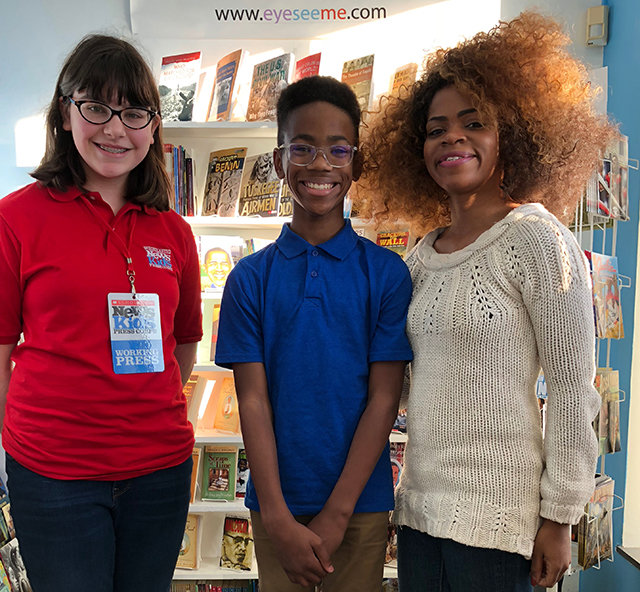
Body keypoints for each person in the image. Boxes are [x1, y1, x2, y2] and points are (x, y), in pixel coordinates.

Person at [356, 11, 619, 592]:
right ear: (416, 149)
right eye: (435, 127)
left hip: (503, 529)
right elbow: (396, 387)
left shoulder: (537, 238)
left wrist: (560, 518)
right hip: (420, 518)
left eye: (475, 123)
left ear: (513, 135)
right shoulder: (417, 260)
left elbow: (575, 390)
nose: (453, 136)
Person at [0, 34, 202, 592]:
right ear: (66, 113)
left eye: (134, 112)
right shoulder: (16, 219)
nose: (115, 129)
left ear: (154, 126)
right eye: (96, 107)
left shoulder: (175, 232)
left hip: (159, 469)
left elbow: (182, 346)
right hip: (52, 472)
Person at [215, 75, 413, 592]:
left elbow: (383, 399)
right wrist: (277, 517)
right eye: (302, 148)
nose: (320, 164)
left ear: (357, 163)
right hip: (276, 507)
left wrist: (337, 512)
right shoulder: (249, 279)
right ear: (280, 162)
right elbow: (252, 403)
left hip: (360, 506)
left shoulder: (387, 274)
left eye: (337, 149)